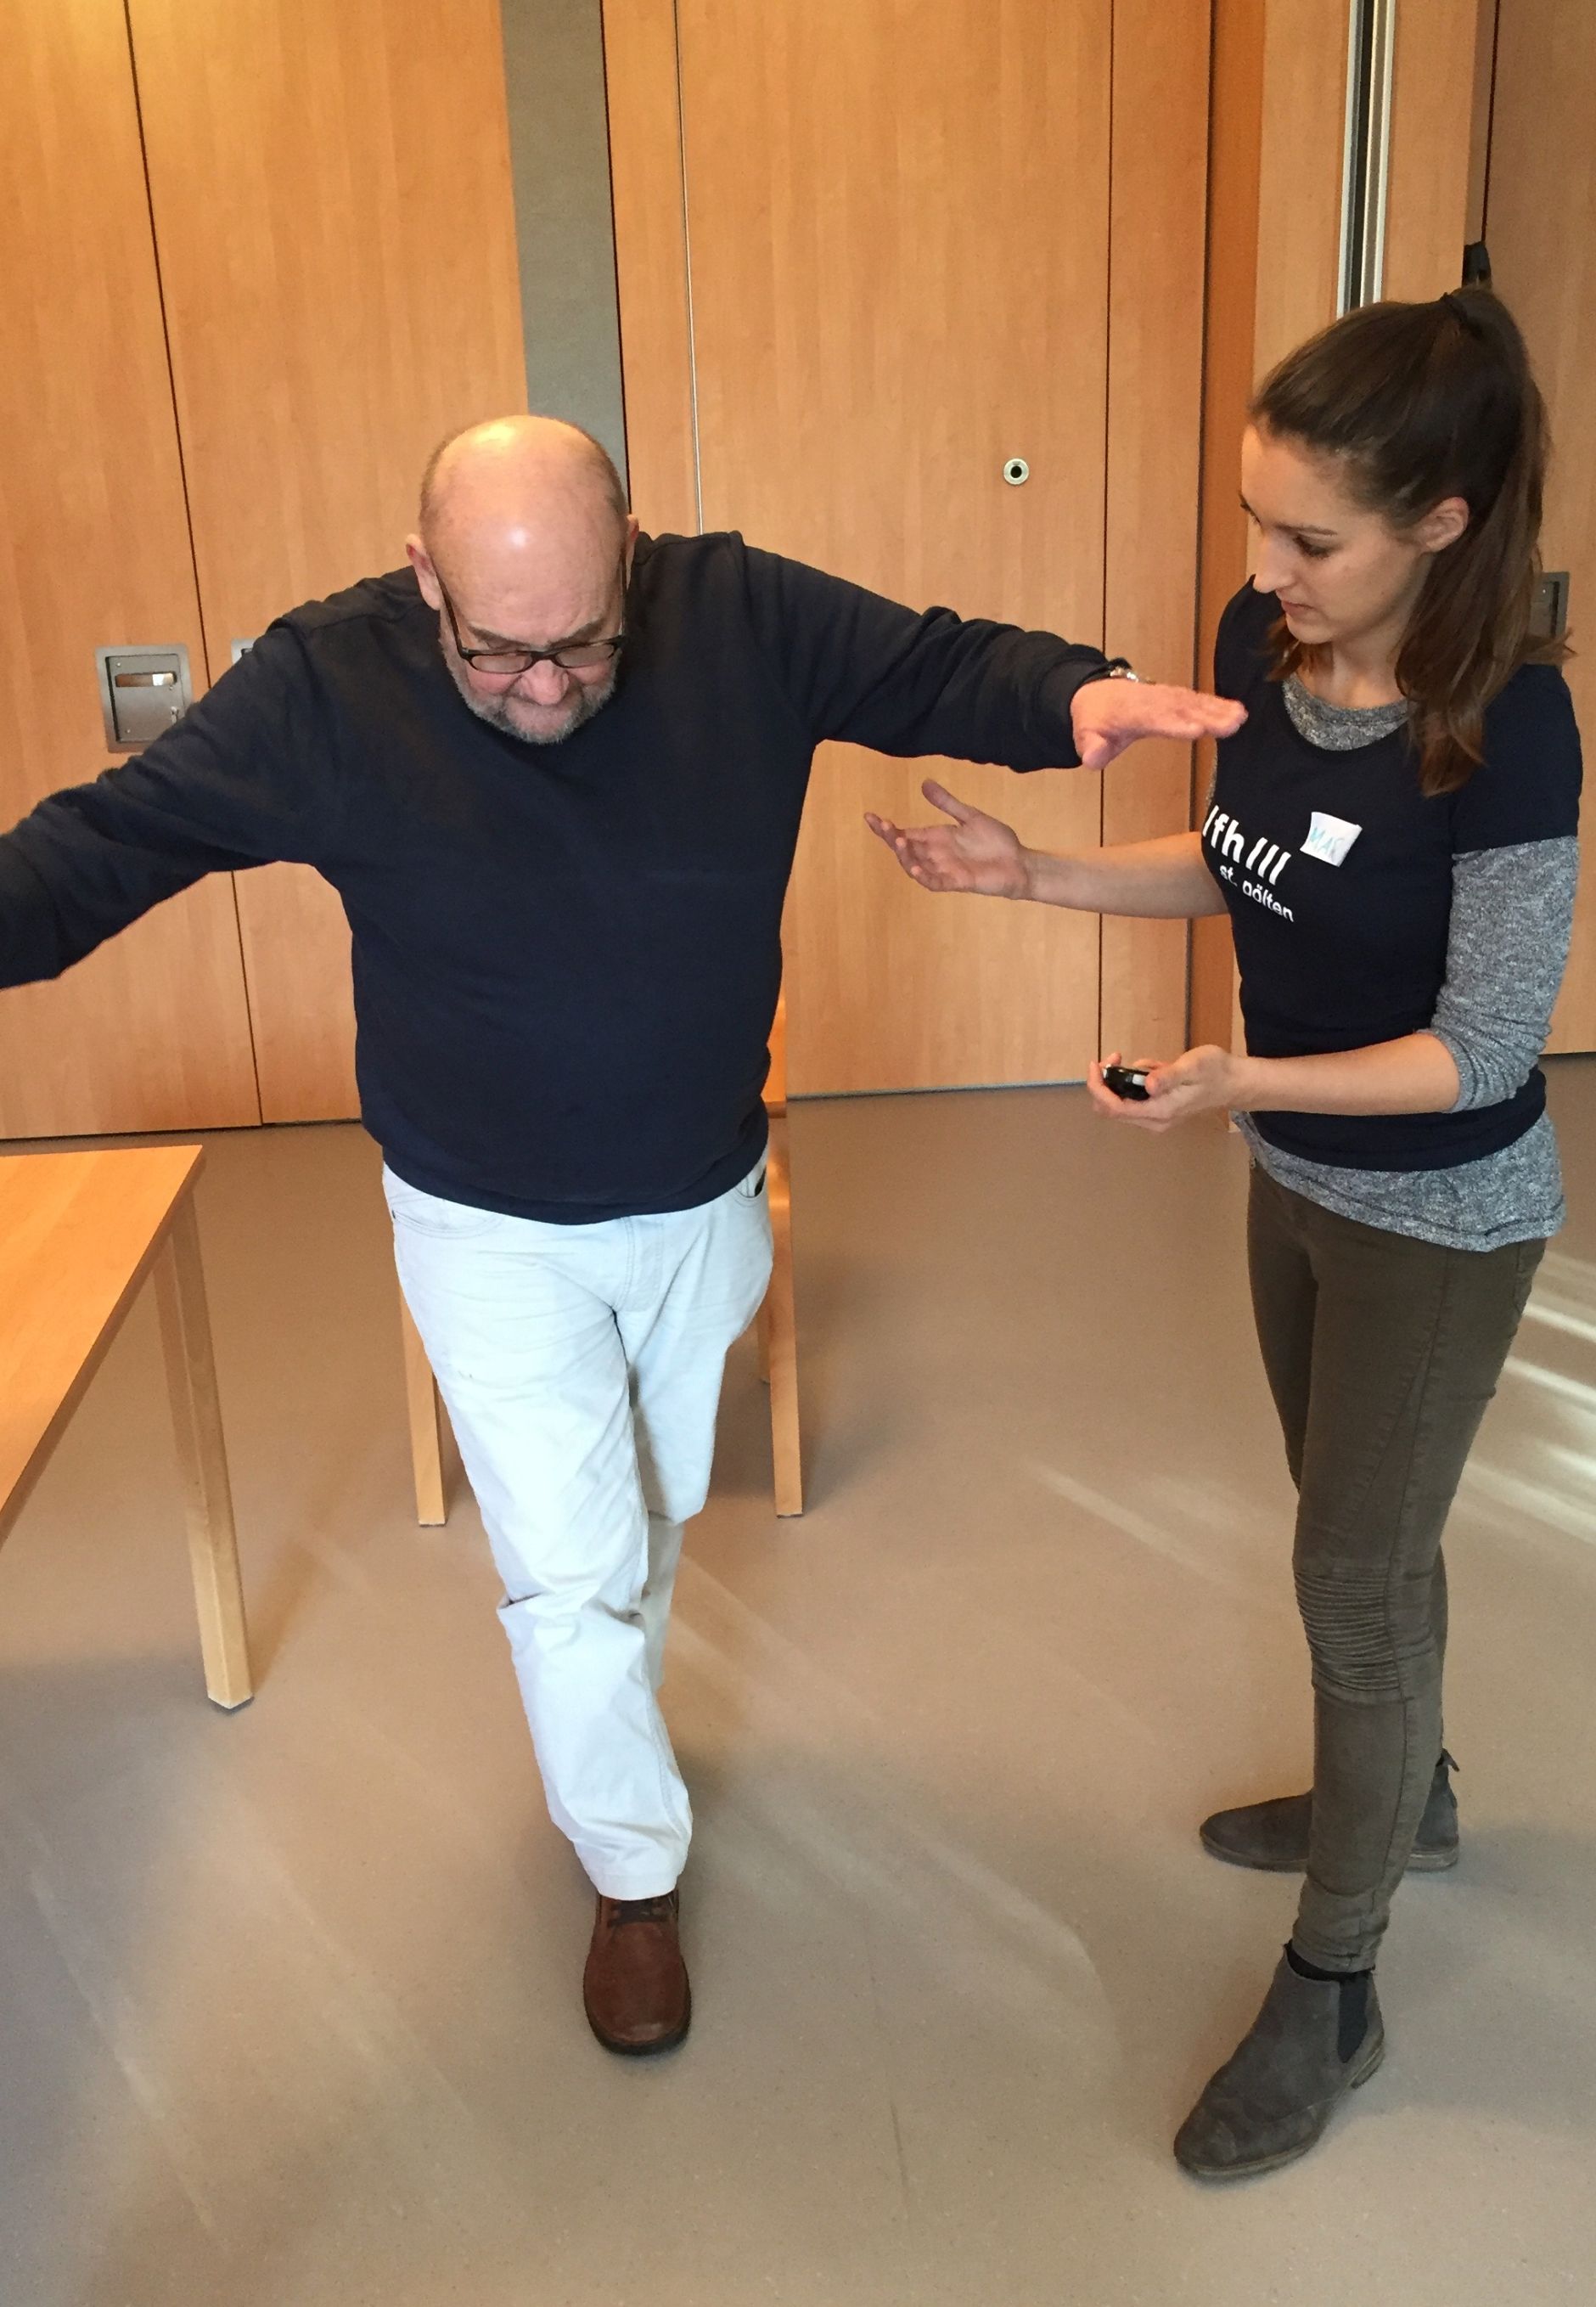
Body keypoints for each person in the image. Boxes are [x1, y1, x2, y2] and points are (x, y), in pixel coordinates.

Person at [0, 414, 1241, 2055]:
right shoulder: (327, 683)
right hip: (482, 1219)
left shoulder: (737, 615)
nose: (543, 685)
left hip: (698, 1192)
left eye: (583, 643)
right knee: (574, 1569)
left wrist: (1072, 695)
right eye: (496, 651)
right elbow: (107, 844)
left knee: (646, 1520)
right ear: (427, 578)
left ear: (634, 560)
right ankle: (633, 1875)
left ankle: (609, 1750)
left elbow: (935, 665)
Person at [869, 291, 1582, 2173]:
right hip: (1296, 1181)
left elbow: (1481, 1050)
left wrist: (1239, 1079)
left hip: (1440, 1218)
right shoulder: (1263, 648)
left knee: (1352, 1576)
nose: (1265, 572)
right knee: (1362, 1536)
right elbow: (1241, 856)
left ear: (1441, 522)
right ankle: (1410, 1796)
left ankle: (1336, 1984)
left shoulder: (1509, 725)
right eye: (1257, 523)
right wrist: (1032, 874)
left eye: (1310, 540)